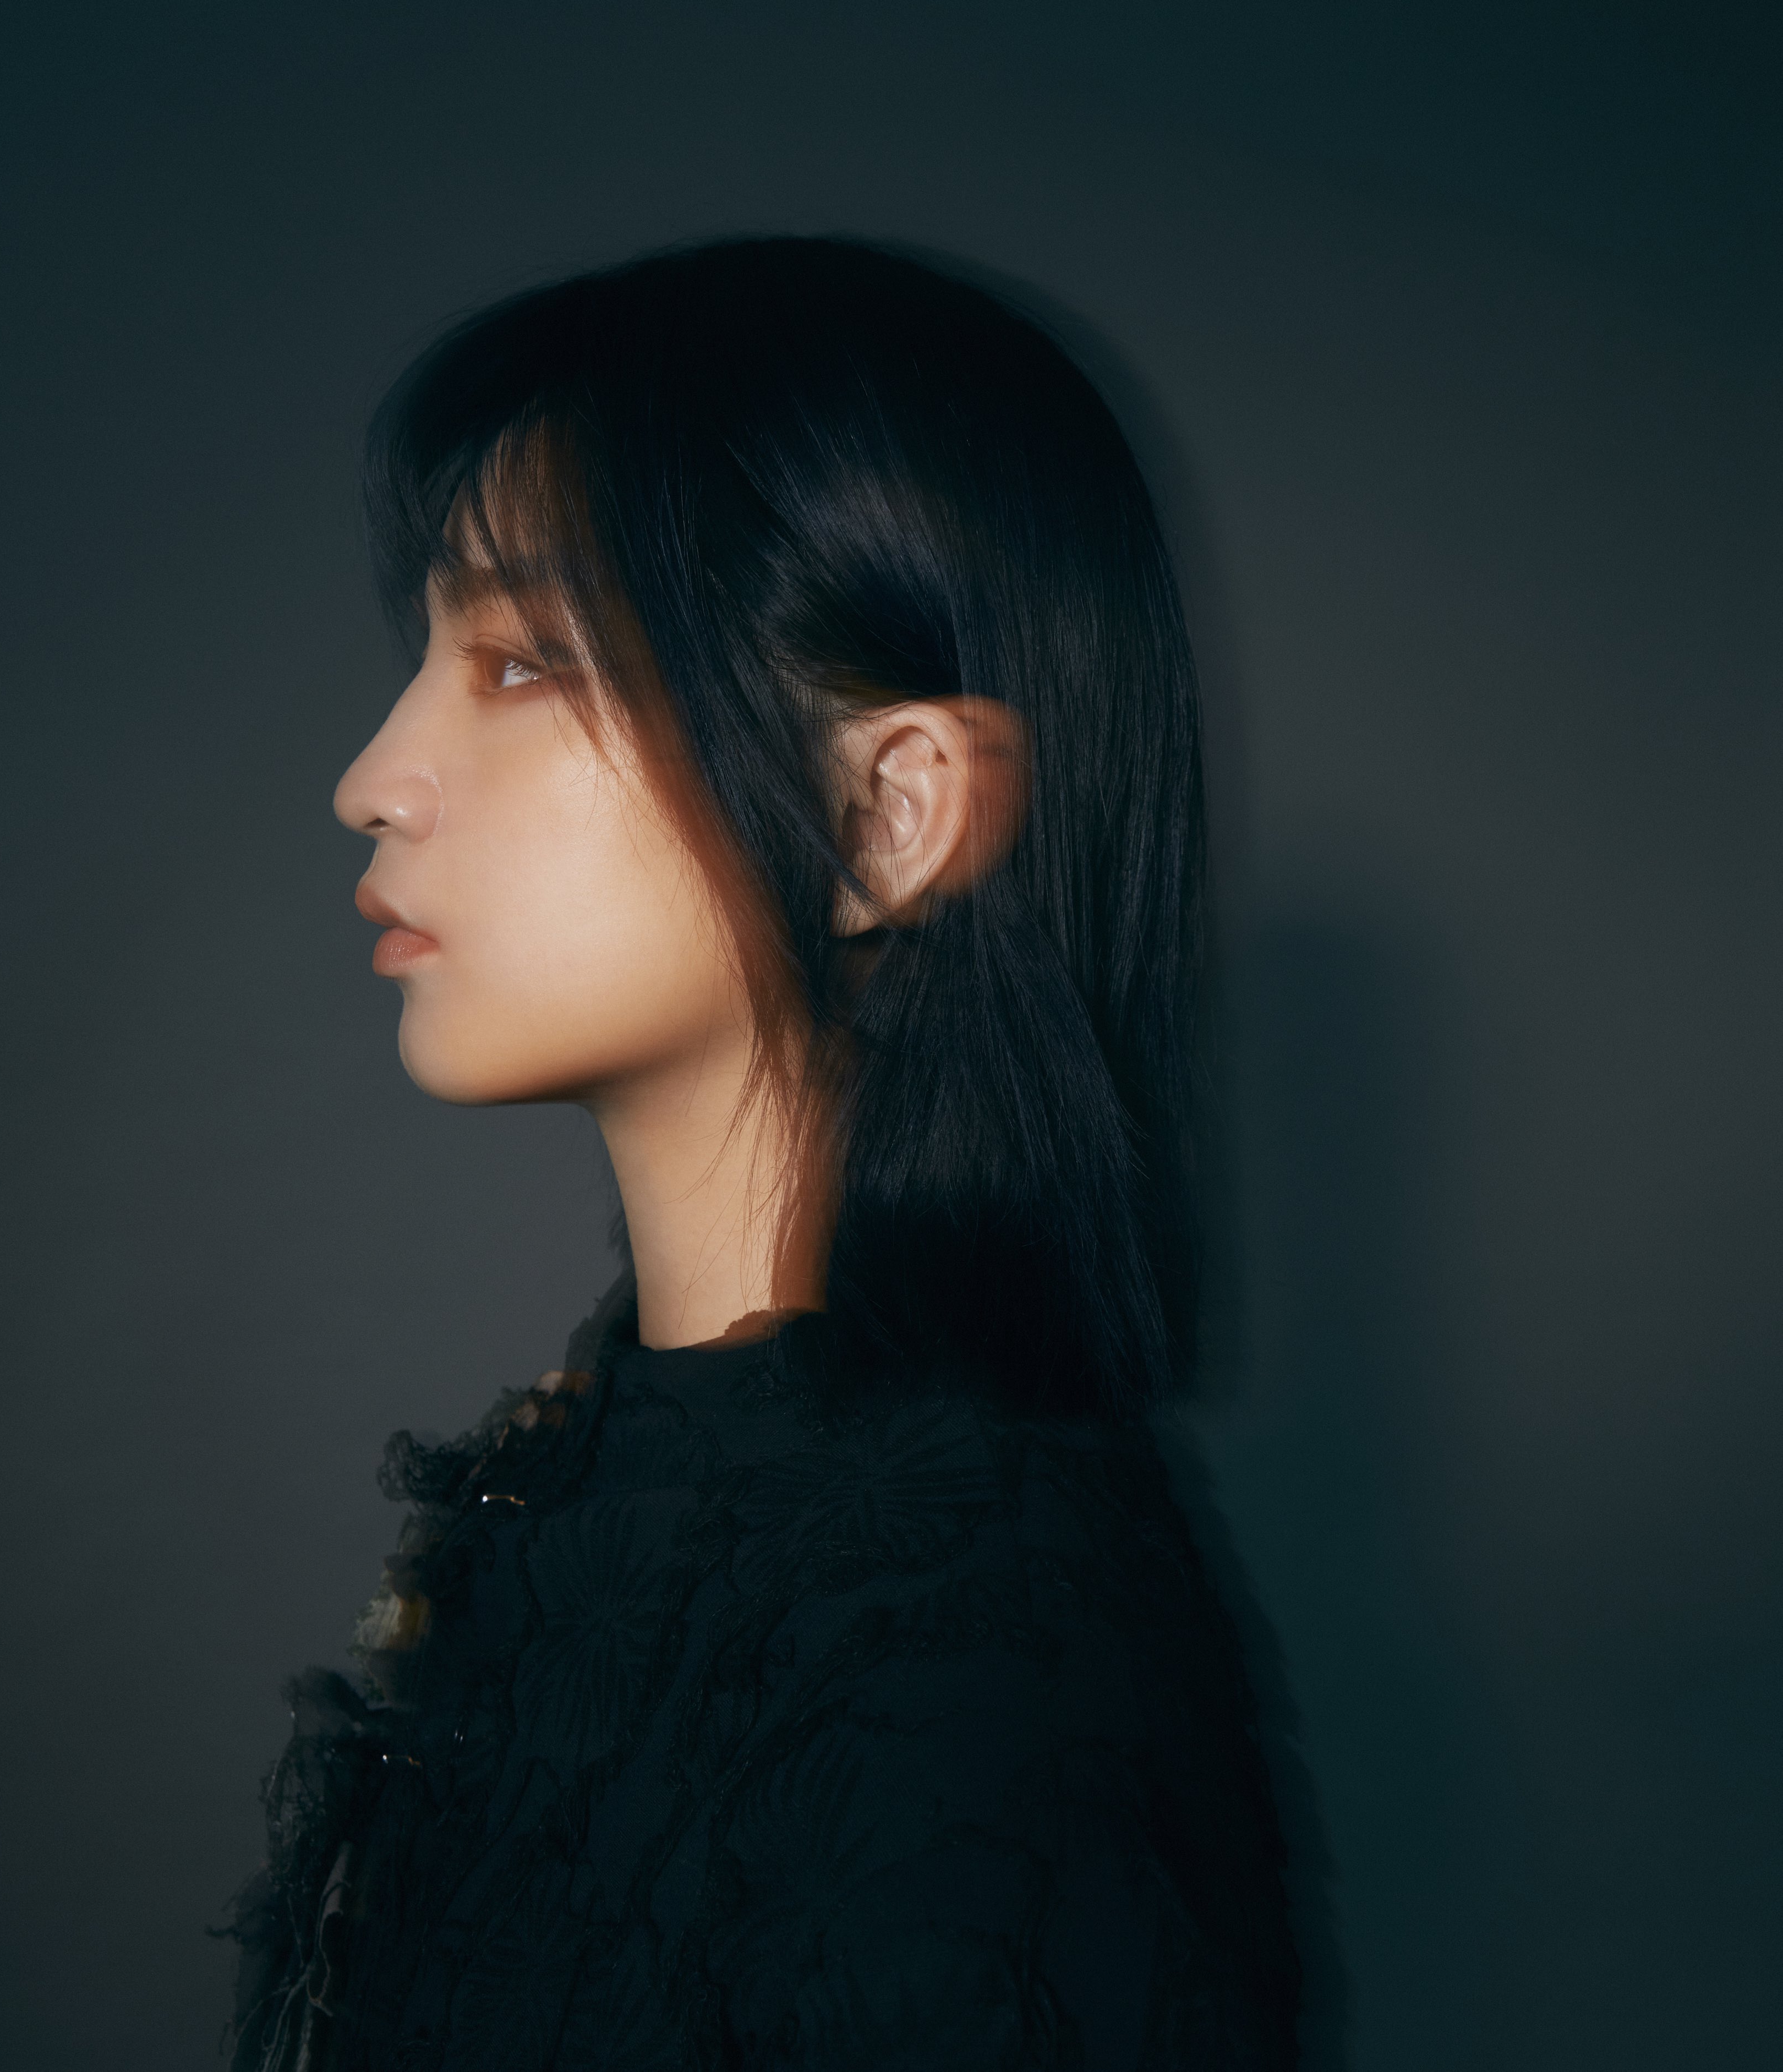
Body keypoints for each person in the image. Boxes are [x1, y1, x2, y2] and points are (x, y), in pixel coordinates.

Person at [225, 236, 1300, 2070]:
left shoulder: (968, 1645)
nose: (374, 776)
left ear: (889, 814)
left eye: (519, 661)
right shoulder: (590, 1481)